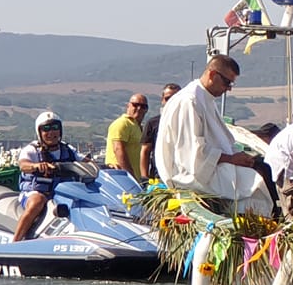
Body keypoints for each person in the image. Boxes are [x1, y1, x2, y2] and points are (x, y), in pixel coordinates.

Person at [155, 56, 272, 215]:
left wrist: (238, 156)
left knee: (264, 168)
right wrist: (231, 159)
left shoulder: (205, 98)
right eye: (227, 82)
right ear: (212, 74)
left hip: (209, 166)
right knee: (255, 186)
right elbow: (192, 155)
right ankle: (248, 228)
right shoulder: (190, 101)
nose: (228, 88)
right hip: (189, 176)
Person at [9, 111, 83, 240]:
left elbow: (84, 161)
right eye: (46, 129)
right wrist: (35, 166)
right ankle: (15, 241)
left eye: (55, 128)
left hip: (62, 193)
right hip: (35, 192)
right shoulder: (32, 149)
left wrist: (105, 166)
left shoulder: (68, 149)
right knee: (37, 202)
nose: (51, 132)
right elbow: (23, 164)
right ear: (39, 132)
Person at [106, 94, 150, 183]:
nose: (139, 108)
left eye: (143, 106)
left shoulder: (137, 126)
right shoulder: (122, 123)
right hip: (121, 179)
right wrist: (130, 176)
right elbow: (118, 149)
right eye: (135, 105)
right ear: (128, 106)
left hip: (135, 179)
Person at [141, 81, 183, 174]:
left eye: (175, 98)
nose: (171, 101)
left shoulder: (189, 122)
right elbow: (145, 151)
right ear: (162, 100)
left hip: (183, 176)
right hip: (158, 176)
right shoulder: (152, 123)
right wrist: (144, 177)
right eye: (168, 98)